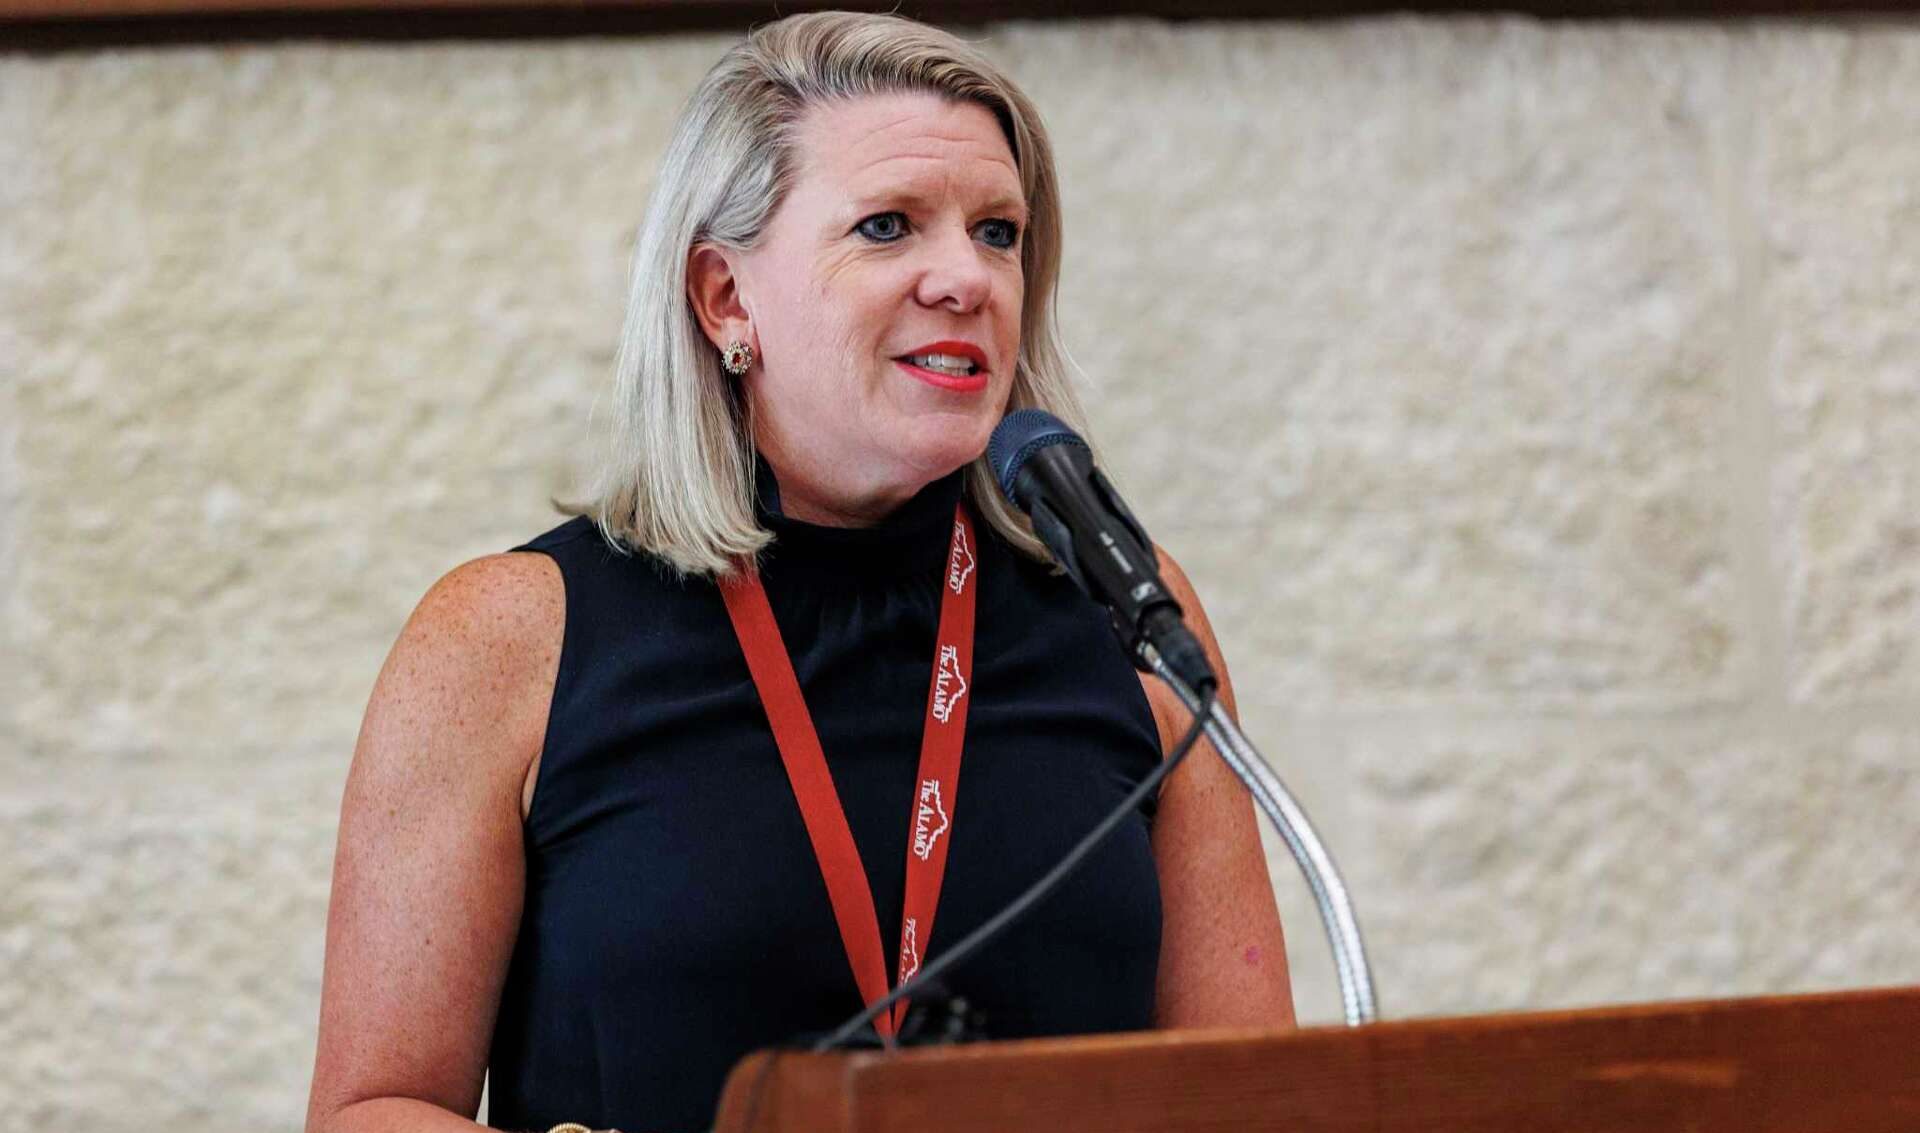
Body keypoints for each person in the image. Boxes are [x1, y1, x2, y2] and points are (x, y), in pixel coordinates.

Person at [305, 12, 1294, 1133]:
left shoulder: (1129, 609)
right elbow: (369, 1109)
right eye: (887, 226)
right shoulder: (508, 637)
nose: (967, 277)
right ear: (727, 298)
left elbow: (1256, 1100)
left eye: (999, 232)